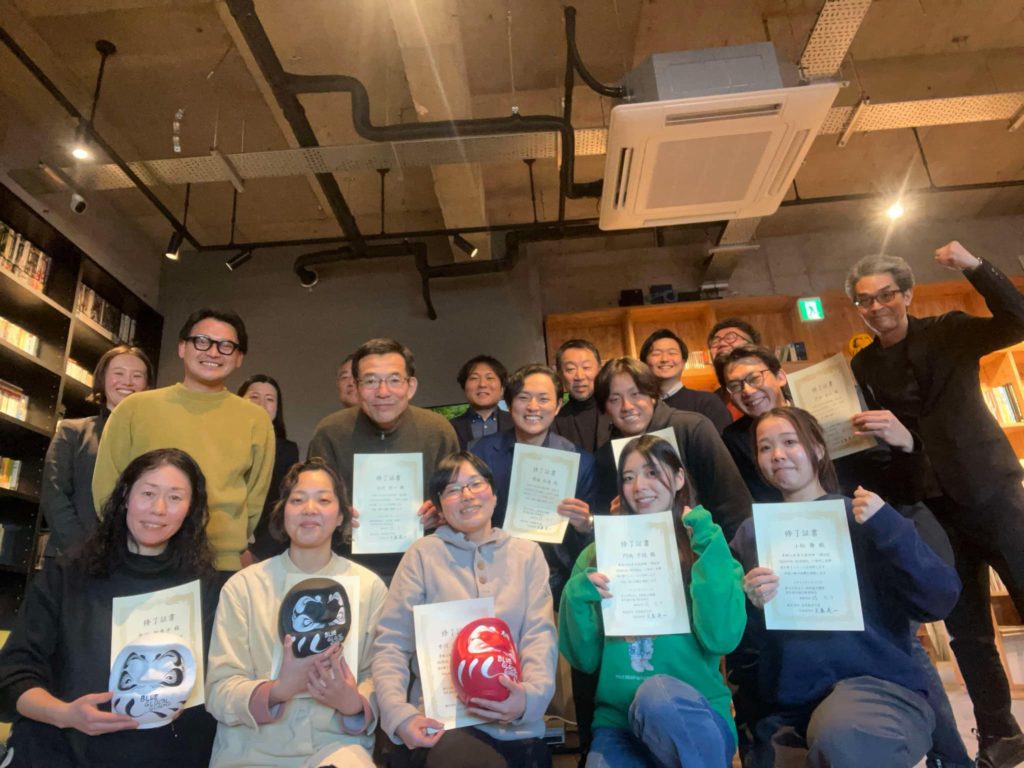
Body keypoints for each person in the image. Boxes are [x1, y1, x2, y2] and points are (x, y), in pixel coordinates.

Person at [847, 242, 1024, 768]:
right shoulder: (863, 364)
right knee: (967, 631)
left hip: (992, 492)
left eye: (885, 295)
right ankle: (1000, 734)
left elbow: (1017, 319)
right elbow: (881, 442)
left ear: (906, 294)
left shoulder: (949, 330)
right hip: (931, 508)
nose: (876, 306)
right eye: (864, 300)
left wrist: (974, 265)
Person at [731, 407, 962, 768]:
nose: (777, 455)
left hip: (876, 690)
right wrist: (752, 605)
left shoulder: (863, 515)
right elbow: (741, 647)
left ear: (818, 449)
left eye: (789, 442)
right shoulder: (751, 534)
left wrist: (890, 528)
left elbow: (940, 598)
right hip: (789, 706)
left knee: (842, 739)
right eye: (765, 447)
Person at [0, 448, 223, 768]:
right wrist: (65, 714)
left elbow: (220, 684)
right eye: (148, 493)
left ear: (191, 508)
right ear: (125, 496)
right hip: (62, 749)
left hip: (165, 754)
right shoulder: (68, 575)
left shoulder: (207, 588)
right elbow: (13, 673)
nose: (158, 509)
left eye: (175, 497)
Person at [559, 434, 745, 768]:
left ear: (679, 478)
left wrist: (705, 538)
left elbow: (722, 638)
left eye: (652, 473)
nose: (639, 486)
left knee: (657, 695)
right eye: (628, 477)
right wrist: (577, 594)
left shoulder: (704, 545)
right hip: (619, 723)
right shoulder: (598, 554)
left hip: (697, 717)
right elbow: (584, 659)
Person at [373, 451, 557, 768]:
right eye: (453, 489)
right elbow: (391, 643)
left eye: (475, 484)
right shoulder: (423, 554)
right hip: (442, 727)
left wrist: (529, 698)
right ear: (440, 505)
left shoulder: (527, 555)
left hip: (515, 724)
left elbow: (539, 637)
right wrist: (400, 716)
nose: (467, 495)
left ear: (494, 493)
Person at [206, 458, 387, 768]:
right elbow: (218, 689)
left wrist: (353, 703)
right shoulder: (243, 587)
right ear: (282, 512)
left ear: (341, 515)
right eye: (298, 500)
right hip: (251, 751)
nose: (310, 509)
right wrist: (278, 690)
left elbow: (381, 677)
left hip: (337, 748)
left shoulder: (369, 587)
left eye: (324, 500)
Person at [92, 308, 275, 571]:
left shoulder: (256, 420)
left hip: (219, 563)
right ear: (182, 347)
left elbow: (255, 499)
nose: (213, 352)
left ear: (239, 358)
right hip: (141, 558)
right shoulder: (134, 408)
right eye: (202, 341)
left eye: (225, 346)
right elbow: (107, 486)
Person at [308, 337, 459, 582]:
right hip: (347, 567)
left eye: (394, 380)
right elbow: (312, 502)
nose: (383, 392)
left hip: (427, 566)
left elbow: (456, 495)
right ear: (356, 387)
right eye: (370, 381)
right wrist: (336, 513)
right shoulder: (330, 432)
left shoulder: (438, 430)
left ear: (411, 386)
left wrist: (442, 511)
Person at [469, 364, 596, 604]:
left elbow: (590, 541)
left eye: (543, 399)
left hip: (556, 580)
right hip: (491, 574)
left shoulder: (579, 461)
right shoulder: (480, 452)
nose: (533, 407)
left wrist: (584, 524)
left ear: (557, 406)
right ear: (509, 404)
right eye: (523, 398)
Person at [593, 357, 752, 541]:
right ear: (605, 408)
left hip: (705, 548)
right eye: (614, 399)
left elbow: (733, 504)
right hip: (646, 552)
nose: (627, 406)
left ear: (653, 396)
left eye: (636, 394)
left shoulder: (692, 428)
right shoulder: (606, 455)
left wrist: (729, 555)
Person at [40, 344, 153, 560]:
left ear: (147, 387)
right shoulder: (72, 431)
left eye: (137, 376)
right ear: (102, 379)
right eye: (118, 373)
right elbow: (54, 493)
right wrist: (82, 549)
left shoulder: (153, 441)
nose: (128, 382)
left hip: (131, 561)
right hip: (73, 557)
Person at [237, 374, 300, 561]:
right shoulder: (220, 444)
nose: (261, 404)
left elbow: (283, 505)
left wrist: (257, 552)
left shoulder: (287, 451)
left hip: (266, 550)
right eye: (254, 397)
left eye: (270, 399)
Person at [639, 329, 731, 432]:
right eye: (656, 353)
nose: (665, 359)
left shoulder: (707, 402)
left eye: (672, 353)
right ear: (644, 363)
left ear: (683, 362)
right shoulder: (638, 407)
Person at [552, 339, 611, 453]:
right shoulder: (555, 421)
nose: (579, 376)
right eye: (570, 369)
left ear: (599, 369)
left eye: (586, 367)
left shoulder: (614, 411)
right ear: (559, 373)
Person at [449, 354, 514, 450]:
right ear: (464, 388)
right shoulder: (449, 428)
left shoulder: (516, 423)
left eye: (489, 378)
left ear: (502, 389)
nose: (482, 384)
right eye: (474, 378)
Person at [707, 319, 762, 422]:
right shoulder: (711, 402)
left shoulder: (779, 383)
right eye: (715, 341)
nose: (721, 343)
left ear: (752, 345)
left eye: (730, 337)